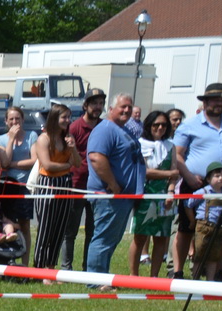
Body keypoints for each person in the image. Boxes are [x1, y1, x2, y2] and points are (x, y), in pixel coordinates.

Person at [174, 82, 222, 277]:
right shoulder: (190, 125)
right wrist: (188, 176)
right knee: (186, 228)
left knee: (221, 228)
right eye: (214, 100)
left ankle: (218, 272)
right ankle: (178, 271)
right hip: (195, 183)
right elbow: (177, 155)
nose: (219, 104)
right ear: (205, 102)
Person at [85, 93, 143, 274]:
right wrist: (114, 184)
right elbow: (96, 158)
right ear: (111, 109)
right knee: (103, 238)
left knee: (111, 238)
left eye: (129, 107)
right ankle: (96, 281)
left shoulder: (123, 129)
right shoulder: (105, 129)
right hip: (110, 195)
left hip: (123, 196)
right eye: (122, 106)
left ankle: (102, 276)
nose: (127, 110)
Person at [30, 104, 81, 271]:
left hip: (65, 184)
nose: (67, 120)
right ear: (54, 118)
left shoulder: (68, 138)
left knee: (59, 229)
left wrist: (73, 149)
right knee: (46, 229)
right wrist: (67, 166)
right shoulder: (44, 139)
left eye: (69, 117)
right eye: (64, 117)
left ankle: (51, 268)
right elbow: (48, 165)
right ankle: (39, 268)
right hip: (48, 184)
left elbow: (78, 163)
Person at [129, 114, 180, 275]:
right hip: (146, 194)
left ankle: (154, 277)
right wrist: (169, 174)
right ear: (149, 125)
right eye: (156, 124)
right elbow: (144, 172)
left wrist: (171, 191)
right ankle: (133, 275)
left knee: (161, 238)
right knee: (140, 237)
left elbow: (175, 173)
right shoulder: (140, 144)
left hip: (165, 197)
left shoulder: (171, 146)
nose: (160, 128)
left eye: (164, 125)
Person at [64, 89, 105, 270]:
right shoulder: (75, 127)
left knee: (93, 231)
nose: (98, 107)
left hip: (98, 186)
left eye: (100, 103)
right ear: (85, 105)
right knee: (70, 231)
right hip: (77, 185)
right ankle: (66, 267)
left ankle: (88, 268)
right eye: (94, 103)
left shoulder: (104, 127)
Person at [0, 106, 35, 258]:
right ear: (6, 121)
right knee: (7, 224)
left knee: (24, 225)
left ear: (22, 120)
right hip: (7, 186)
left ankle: (24, 263)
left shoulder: (31, 136)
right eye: (11, 119)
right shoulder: (0, 139)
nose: (15, 121)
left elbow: (33, 161)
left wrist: (11, 164)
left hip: (25, 186)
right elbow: (5, 161)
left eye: (17, 118)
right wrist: (11, 139)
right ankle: (9, 259)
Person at [193, 162, 222, 281]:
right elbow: (188, 203)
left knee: (214, 256)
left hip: (219, 227)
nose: (221, 178)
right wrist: (192, 220)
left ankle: (210, 281)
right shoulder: (203, 192)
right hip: (204, 226)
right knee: (199, 254)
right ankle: (195, 280)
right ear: (208, 179)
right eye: (217, 176)